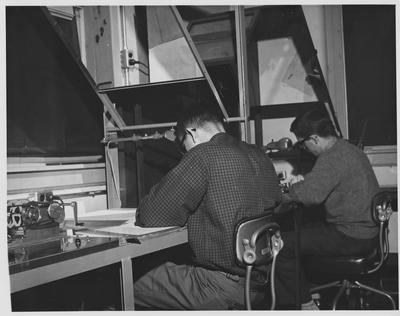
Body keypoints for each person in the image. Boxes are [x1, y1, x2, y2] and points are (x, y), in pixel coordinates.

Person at [133, 105, 282, 310]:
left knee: (124, 282)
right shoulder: (258, 154)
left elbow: (152, 215)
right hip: (257, 284)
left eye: (183, 145)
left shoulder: (203, 154)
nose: (185, 152)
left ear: (191, 134)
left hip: (216, 287)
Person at [275, 110, 380, 310]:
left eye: (302, 143)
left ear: (314, 139)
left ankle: (305, 305)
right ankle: (311, 289)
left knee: (281, 245)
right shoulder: (349, 149)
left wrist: (283, 193)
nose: (304, 148)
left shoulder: (332, 157)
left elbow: (310, 195)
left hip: (351, 236)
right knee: (306, 227)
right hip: (366, 232)